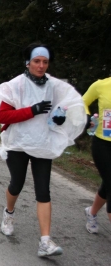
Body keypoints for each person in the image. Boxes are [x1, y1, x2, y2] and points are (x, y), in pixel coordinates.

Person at [0, 43, 86, 257]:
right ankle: (9, 212)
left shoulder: (55, 86)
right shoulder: (15, 85)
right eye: (37, 61)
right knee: (17, 184)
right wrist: (31, 110)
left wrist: (61, 116)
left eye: (45, 62)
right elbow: (2, 116)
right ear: (28, 62)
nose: (41, 66)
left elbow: (69, 106)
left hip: (43, 143)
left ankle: (45, 241)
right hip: (18, 143)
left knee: (43, 190)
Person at [82, 77, 111, 234]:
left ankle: (91, 212)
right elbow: (83, 101)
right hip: (103, 144)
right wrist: (87, 117)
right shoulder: (101, 85)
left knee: (108, 184)